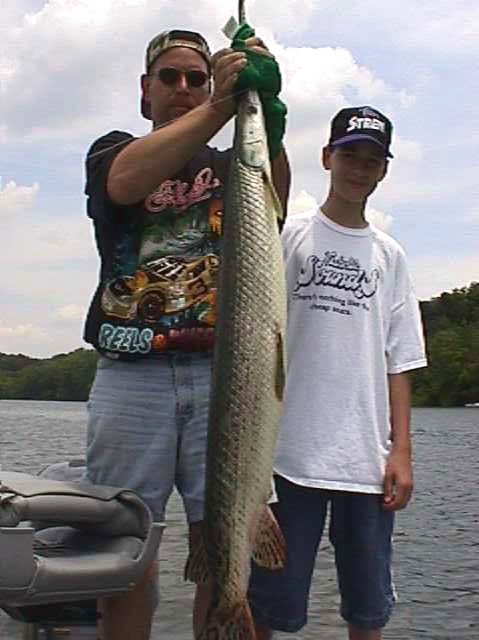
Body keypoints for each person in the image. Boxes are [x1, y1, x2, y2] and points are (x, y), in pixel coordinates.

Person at [82, 28, 290, 640]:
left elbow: (274, 197)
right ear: (145, 93)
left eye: (196, 78)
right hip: (131, 379)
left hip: (228, 377)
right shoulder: (114, 151)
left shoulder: (232, 169)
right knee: (125, 552)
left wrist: (269, 115)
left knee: (221, 540)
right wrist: (222, 105)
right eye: (168, 78)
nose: (182, 88)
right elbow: (124, 185)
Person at [248, 106, 427, 640]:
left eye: (372, 160)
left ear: (383, 171)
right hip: (286, 457)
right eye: (350, 154)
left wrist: (401, 451)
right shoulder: (289, 236)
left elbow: (401, 359)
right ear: (327, 157)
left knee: (367, 608)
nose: (359, 168)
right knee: (269, 604)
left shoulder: (389, 256)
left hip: (366, 463)